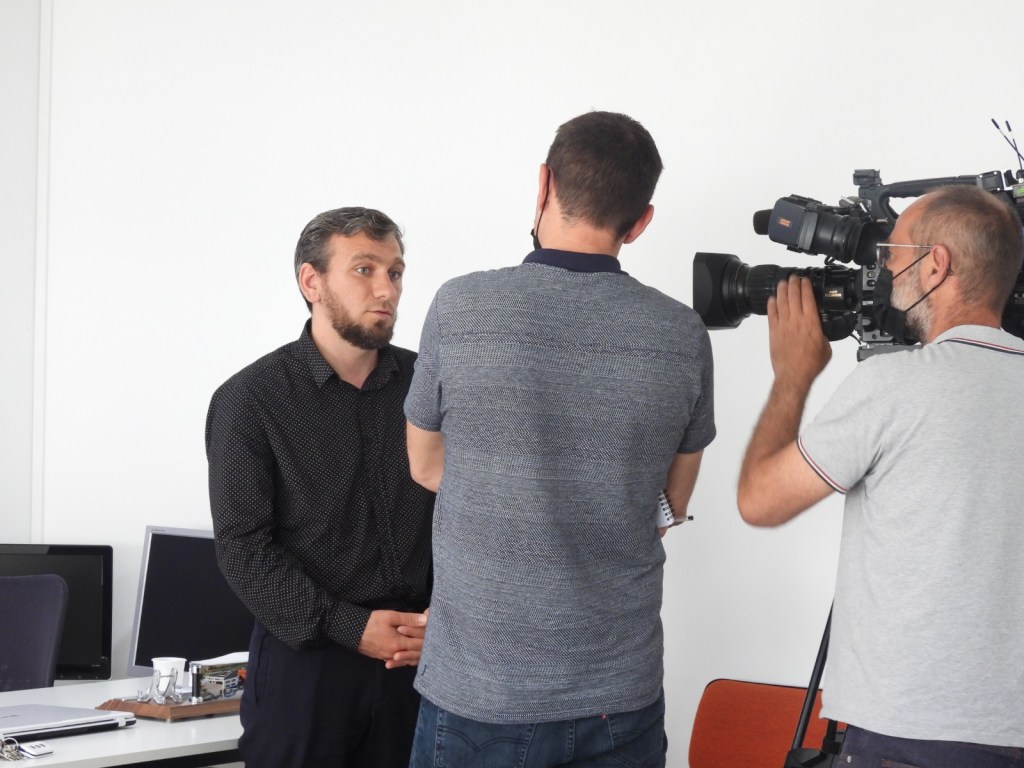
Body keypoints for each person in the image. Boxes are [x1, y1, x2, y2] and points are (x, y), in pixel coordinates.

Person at [403, 111, 716, 768]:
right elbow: (669, 505)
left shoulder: (461, 309)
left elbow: (426, 465)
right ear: (640, 221)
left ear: (543, 184)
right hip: (615, 699)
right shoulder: (681, 334)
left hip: (476, 695)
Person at [737, 185, 1024, 767]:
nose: (884, 274)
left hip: (908, 733)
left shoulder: (894, 386)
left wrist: (794, 375)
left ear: (937, 264)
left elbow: (760, 500)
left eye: (891, 255)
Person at [205, 207, 436, 768]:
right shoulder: (250, 400)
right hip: (305, 668)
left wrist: (447, 620)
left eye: (396, 272)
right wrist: (352, 627)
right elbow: (243, 547)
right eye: (364, 269)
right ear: (312, 281)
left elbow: (472, 511)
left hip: (422, 660)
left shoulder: (430, 386)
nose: (386, 289)